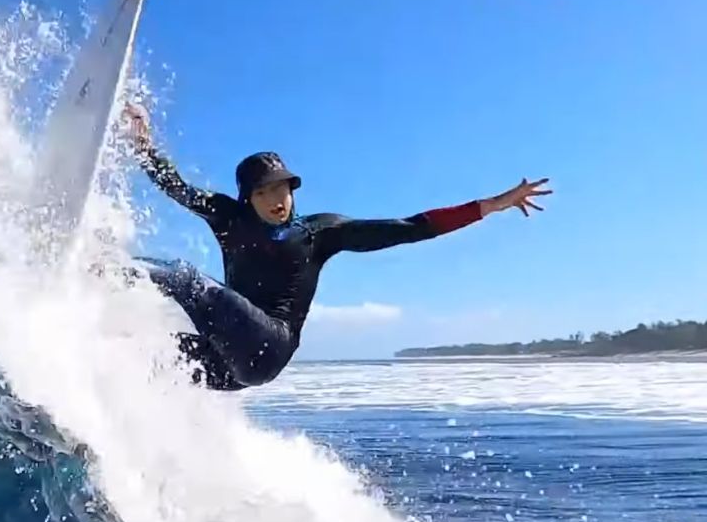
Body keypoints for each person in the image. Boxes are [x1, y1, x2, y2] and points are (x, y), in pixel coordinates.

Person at [121, 103, 552, 391]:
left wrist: (488, 206)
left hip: (269, 349)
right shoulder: (225, 217)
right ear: (247, 197)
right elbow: (173, 185)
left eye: (284, 189)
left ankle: (106, 269)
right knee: (141, 356)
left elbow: (410, 227)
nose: (279, 200)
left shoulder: (319, 232)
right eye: (266, 192)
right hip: (230, 365)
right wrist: (142, 142)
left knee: (185, 278)